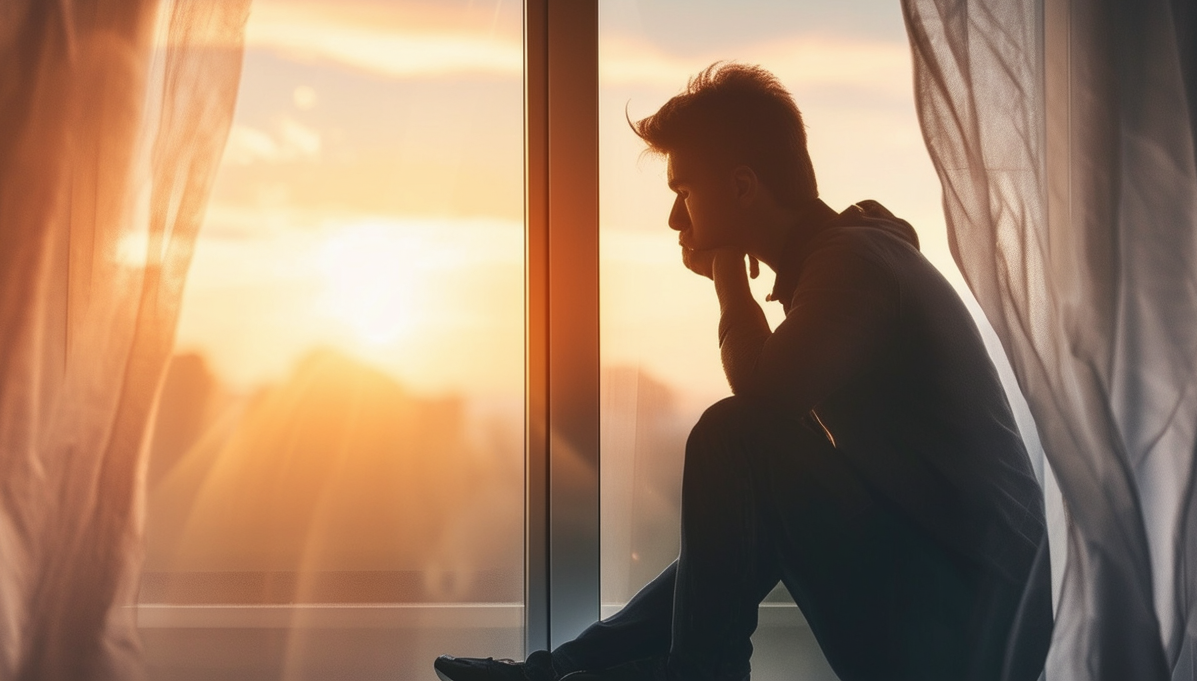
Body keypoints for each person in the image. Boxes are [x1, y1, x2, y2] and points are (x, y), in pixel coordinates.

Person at [435, 63, 1051, 681]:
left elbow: (764, 391)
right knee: (752, 488)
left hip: (970, 630)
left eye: (684, 192)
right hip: (956, 602)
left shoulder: (854, 263)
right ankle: (564, 670)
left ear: (742, 187)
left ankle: (698, 674)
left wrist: (728, 278)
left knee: (736, 434)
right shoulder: (852, 255)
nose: (678, 221)